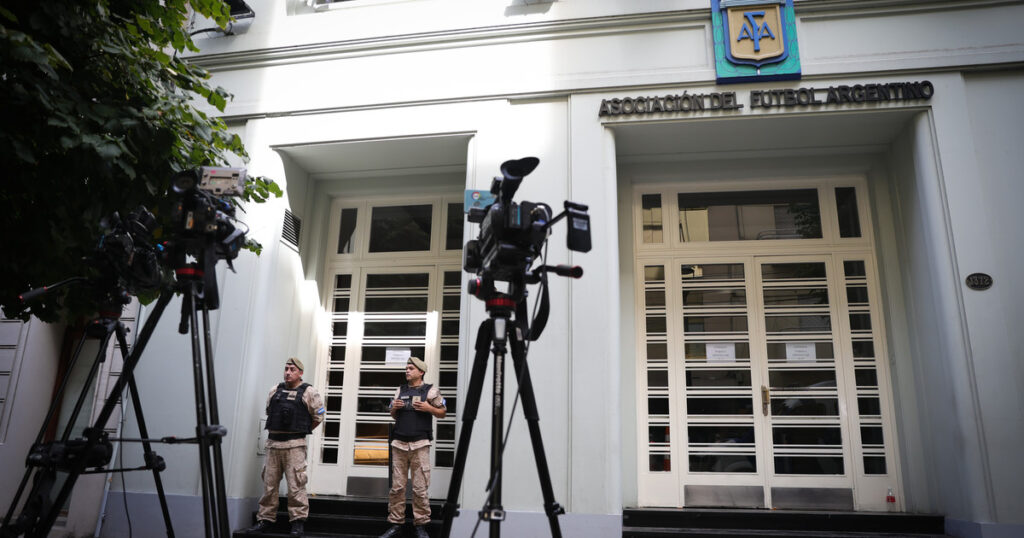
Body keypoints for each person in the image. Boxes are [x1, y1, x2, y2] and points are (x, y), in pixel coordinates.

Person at [245, 358, 325, 537]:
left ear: (300, 373)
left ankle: (297, 522)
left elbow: (319, 415)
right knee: (269, 485)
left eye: (292, 369)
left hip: (294, 446)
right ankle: (265, 520)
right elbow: (269, 412)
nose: (288, 372)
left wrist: (301, 431)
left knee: (296, 486)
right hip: (273, 445)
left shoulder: (309, 392)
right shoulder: (275, 390)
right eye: (286, 369)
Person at [379, 357, 446, 538]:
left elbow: (443, 413)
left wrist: (428, 408)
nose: (407, 371)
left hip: (420, 444)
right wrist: (395, 408)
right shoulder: (400, 390)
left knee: (419, 488)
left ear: (421, 372)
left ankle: (421, 525)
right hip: (399, 443)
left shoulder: (431, 391)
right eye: (406, 368)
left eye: (411, 368)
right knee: (397, 487)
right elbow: (393, 414)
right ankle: (395, 524)